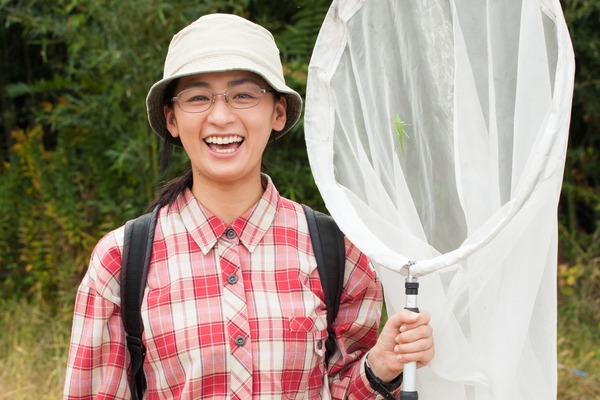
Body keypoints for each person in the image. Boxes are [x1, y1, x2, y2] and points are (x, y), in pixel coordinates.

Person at [63, 13, 434, 399]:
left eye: (243, 95)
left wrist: (382, 367)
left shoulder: (338, 250)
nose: (221, 116)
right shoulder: (121, 261)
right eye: (198, 97)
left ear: (277, 112)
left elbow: (343, 387)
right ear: (171, 119)